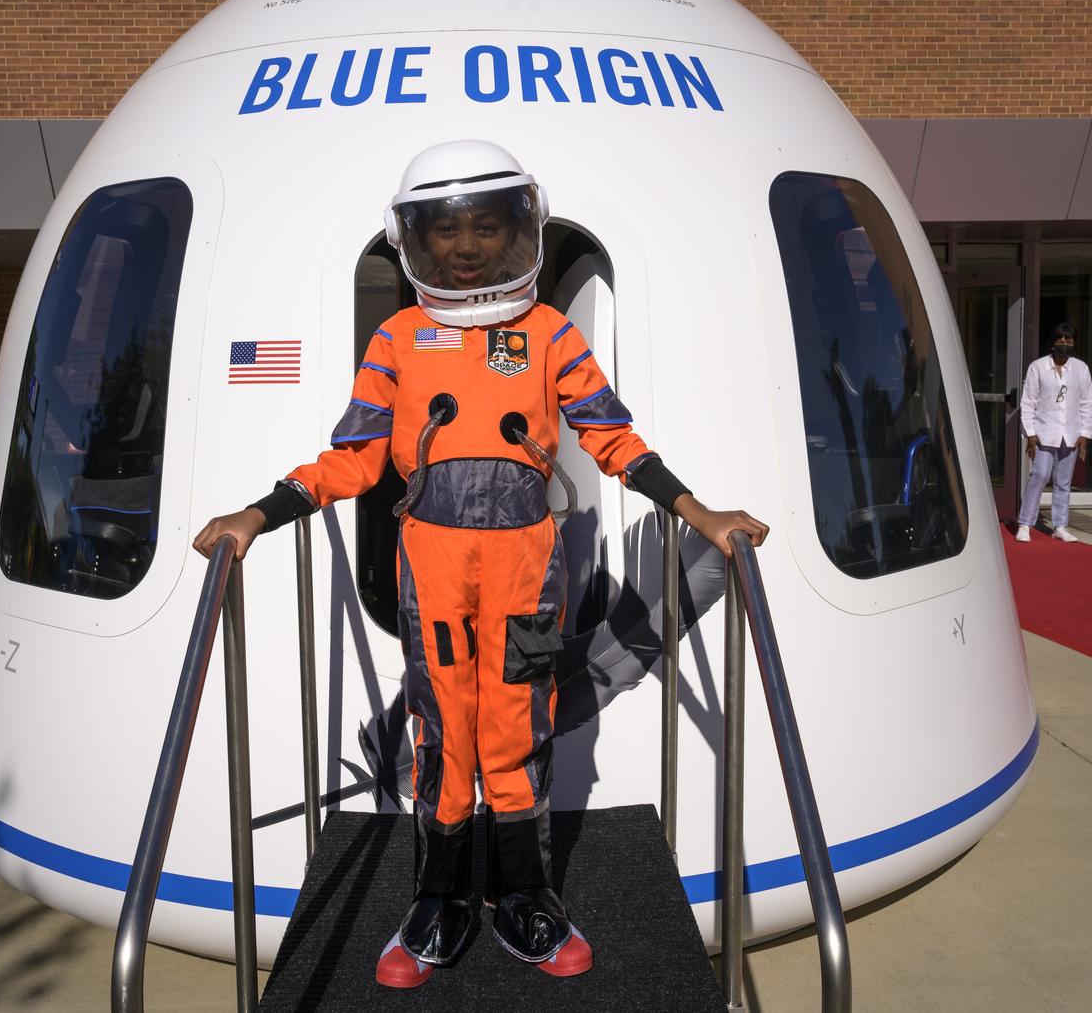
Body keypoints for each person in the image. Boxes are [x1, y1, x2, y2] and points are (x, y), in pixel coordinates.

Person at [193, 140, 768, 987]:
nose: (465, 248)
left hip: (522, 572)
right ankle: (439, 899)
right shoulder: (397, 339)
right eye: (446, 231)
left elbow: (613, 439)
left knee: (516, 730)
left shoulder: (548, 334)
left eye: (486, 228)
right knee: (441, 735)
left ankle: (525, 894)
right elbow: (353, 458)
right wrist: (260, 512)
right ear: (414, 239)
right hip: (433, 570)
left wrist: (698, 512)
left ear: (521, 228)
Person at [1015, 322, 1092, 543]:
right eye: (1061, 340)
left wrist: (1085, 434)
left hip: (1070, 433)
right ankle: (1025, 523)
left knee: (1063, 482)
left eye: (1069, 340)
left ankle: (1060, 526)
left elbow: (1087, 403)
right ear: (1053, 342)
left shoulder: (1081, 369)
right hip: (1044, 432)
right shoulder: (1038, 367)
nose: (1065, 344)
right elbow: (1028, 401)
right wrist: (1030, 433)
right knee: (1040, 475)